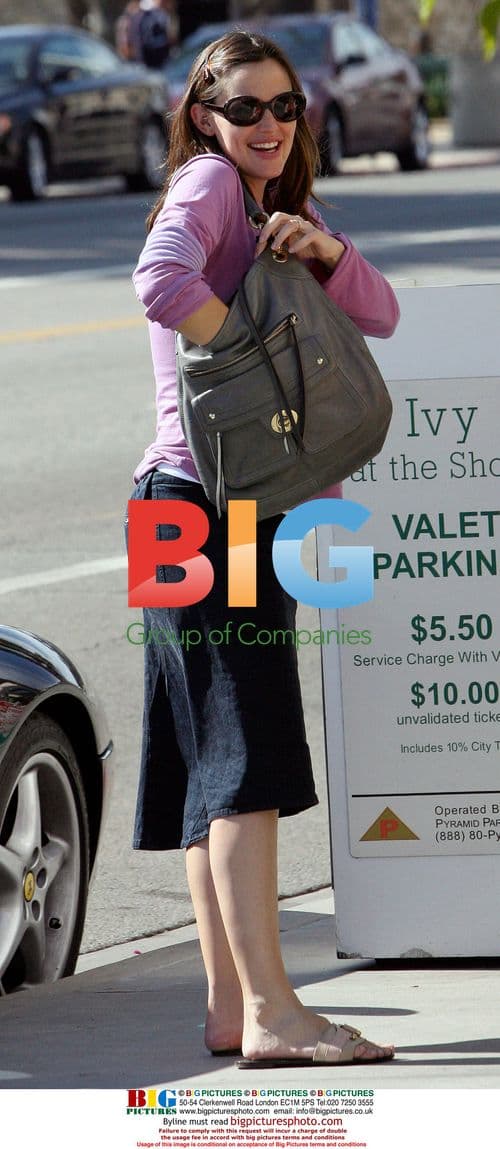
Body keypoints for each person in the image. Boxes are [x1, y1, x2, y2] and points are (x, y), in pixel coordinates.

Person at [128, 30, 399, 1067]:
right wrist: (239, 358)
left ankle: (227, 1005)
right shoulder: (207, 184)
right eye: (244, 108)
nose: (269, 126)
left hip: (169, 503)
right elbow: (160, 281)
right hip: (215, 507)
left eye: (285, 106)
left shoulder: (279, 209)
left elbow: (376, 310)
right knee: (246, 765)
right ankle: (278, 1016)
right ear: (202, 114)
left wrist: (323, 251)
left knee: (211, 766)